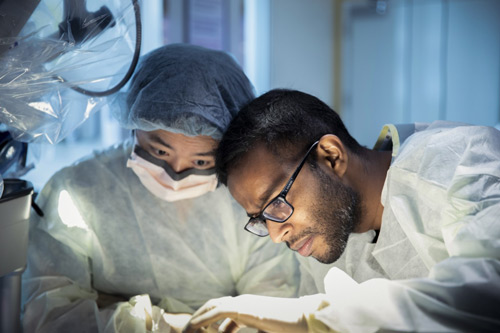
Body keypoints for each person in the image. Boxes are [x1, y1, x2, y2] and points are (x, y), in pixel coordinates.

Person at [21, 45, 300, 333]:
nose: (177, 175)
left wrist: (110, 307)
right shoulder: (76, 191)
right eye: (160, 152)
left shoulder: (247, 202)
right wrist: (163, 325)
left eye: (201, 160)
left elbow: (273, 307)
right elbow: (48, 315)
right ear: (134, 123)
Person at [183, 89, 500, 332]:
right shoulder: (325, 240)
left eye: (275, 202)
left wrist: (313, 317)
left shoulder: (463, 161)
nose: (277, 235)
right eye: (260, 219)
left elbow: (486, 296)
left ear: (332, 157)